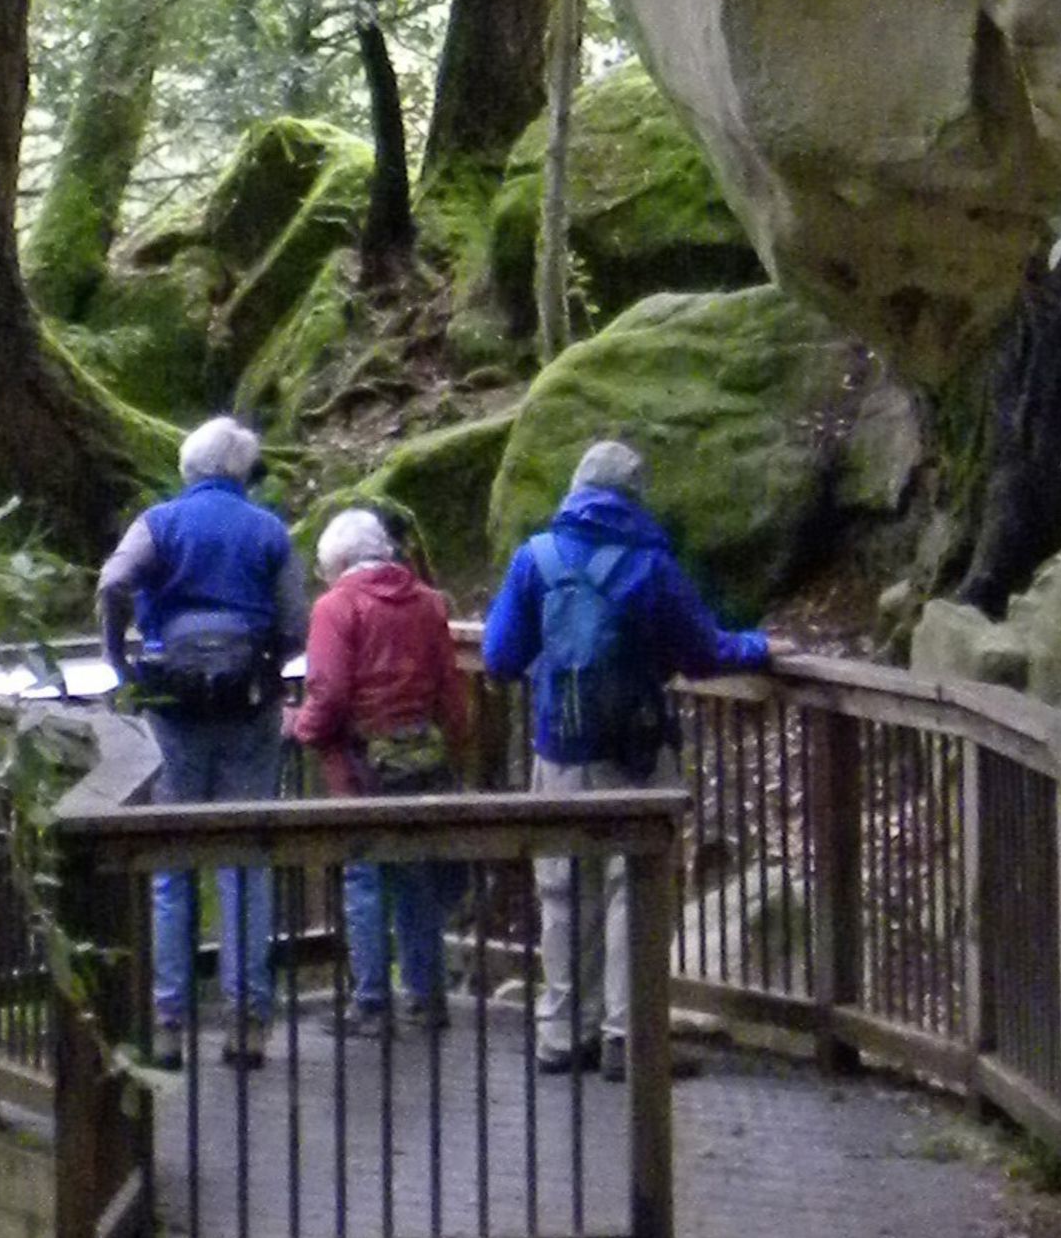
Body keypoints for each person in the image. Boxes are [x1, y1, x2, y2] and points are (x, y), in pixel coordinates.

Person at [479, 439, 774, 1077]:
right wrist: (759, 646)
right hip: (638, 757)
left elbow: (500, 657)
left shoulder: (537, 559)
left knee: (562, 892)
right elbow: (703, 652)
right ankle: (628, 1038)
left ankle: (562, 1035)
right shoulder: (650, 565)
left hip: (560, 750)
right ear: (633, 495)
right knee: (632, 892)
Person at [96, 415, 306, 1064]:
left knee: (173, 866)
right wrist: (265, 662)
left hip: (172, 714)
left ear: (189, 468)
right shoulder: (269, 531)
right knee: (245, 858)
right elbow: (298, 626)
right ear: (242, 471)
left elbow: (112, 583)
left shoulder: (158, 524)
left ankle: (169, 1023)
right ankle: (248, 1023)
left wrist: (121, 664)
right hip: (249, 711)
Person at [289, 507, 475, 1035]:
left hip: (361, 764)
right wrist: (455, 745)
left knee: (366, 876)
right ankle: (427, 995)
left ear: (340, 562)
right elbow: (449, 689)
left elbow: (328, 690)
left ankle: (371, 1001)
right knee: (416, 875)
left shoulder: (336, 607)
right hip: (423, 759)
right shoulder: (426, 603)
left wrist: (303, 731)